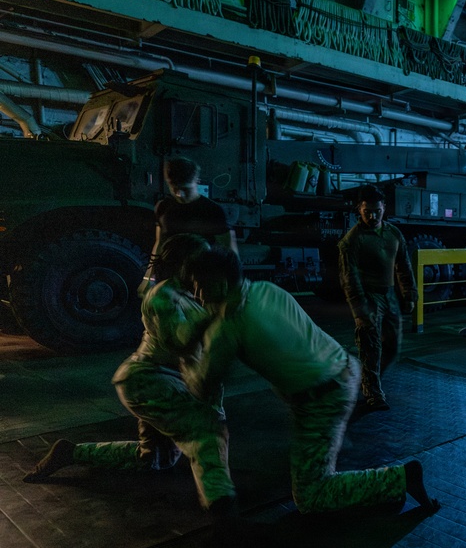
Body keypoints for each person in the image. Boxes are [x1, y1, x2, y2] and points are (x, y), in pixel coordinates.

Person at [181, 246, 436, 514]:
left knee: (311, 494)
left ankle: (398, 480)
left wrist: (186, 358)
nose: (197, 295)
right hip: (344, 371)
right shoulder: (265, 289)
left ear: (220, 284)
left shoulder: (227, 328)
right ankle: (332, 453)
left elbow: (203, 385)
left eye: (199, 287)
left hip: (322, 399)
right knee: (312, 454)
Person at [24, 234, 237, 517]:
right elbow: (184, 345)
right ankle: (223, 515)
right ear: (182, 264)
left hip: (165, 381)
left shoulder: (190, 295)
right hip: (149, 382)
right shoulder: (163, 297)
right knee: (208, 430)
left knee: (154, 459)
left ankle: (70, 452)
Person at [337, 185, 417, 413]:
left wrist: (409, 294)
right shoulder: (351, 241)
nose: (372, 216)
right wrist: (360, 310)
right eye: (367, 212)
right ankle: (373, 393)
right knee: (371, 346)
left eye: (376, 212)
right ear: (359, 210)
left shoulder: (394, 234)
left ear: (384, 209)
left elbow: (404, 265)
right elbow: (349, 280)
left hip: (389, 295)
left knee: (392, 346)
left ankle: (367, 379)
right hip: (368, 297)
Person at [139, 157, 238, 296]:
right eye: (175, 189)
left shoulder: (212, 211)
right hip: (171, 278)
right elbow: (160, 243)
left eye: (185, 188)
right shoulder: (163, 207)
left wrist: (234, 286)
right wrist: (148, 278)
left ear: (196, 182)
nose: (180, 194)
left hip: (201, 280)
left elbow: (229, 252)